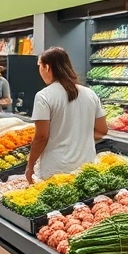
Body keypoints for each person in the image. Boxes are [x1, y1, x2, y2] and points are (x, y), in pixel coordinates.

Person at [25, 47, 108, 184]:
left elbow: (41, 137)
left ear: (47, 67)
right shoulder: (90, 93)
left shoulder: (43, 96)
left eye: (40, 66)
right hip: (86, 167)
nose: (39, 71)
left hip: (56, 170)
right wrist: (78, 137)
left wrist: (30, 165)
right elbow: (102, 130)